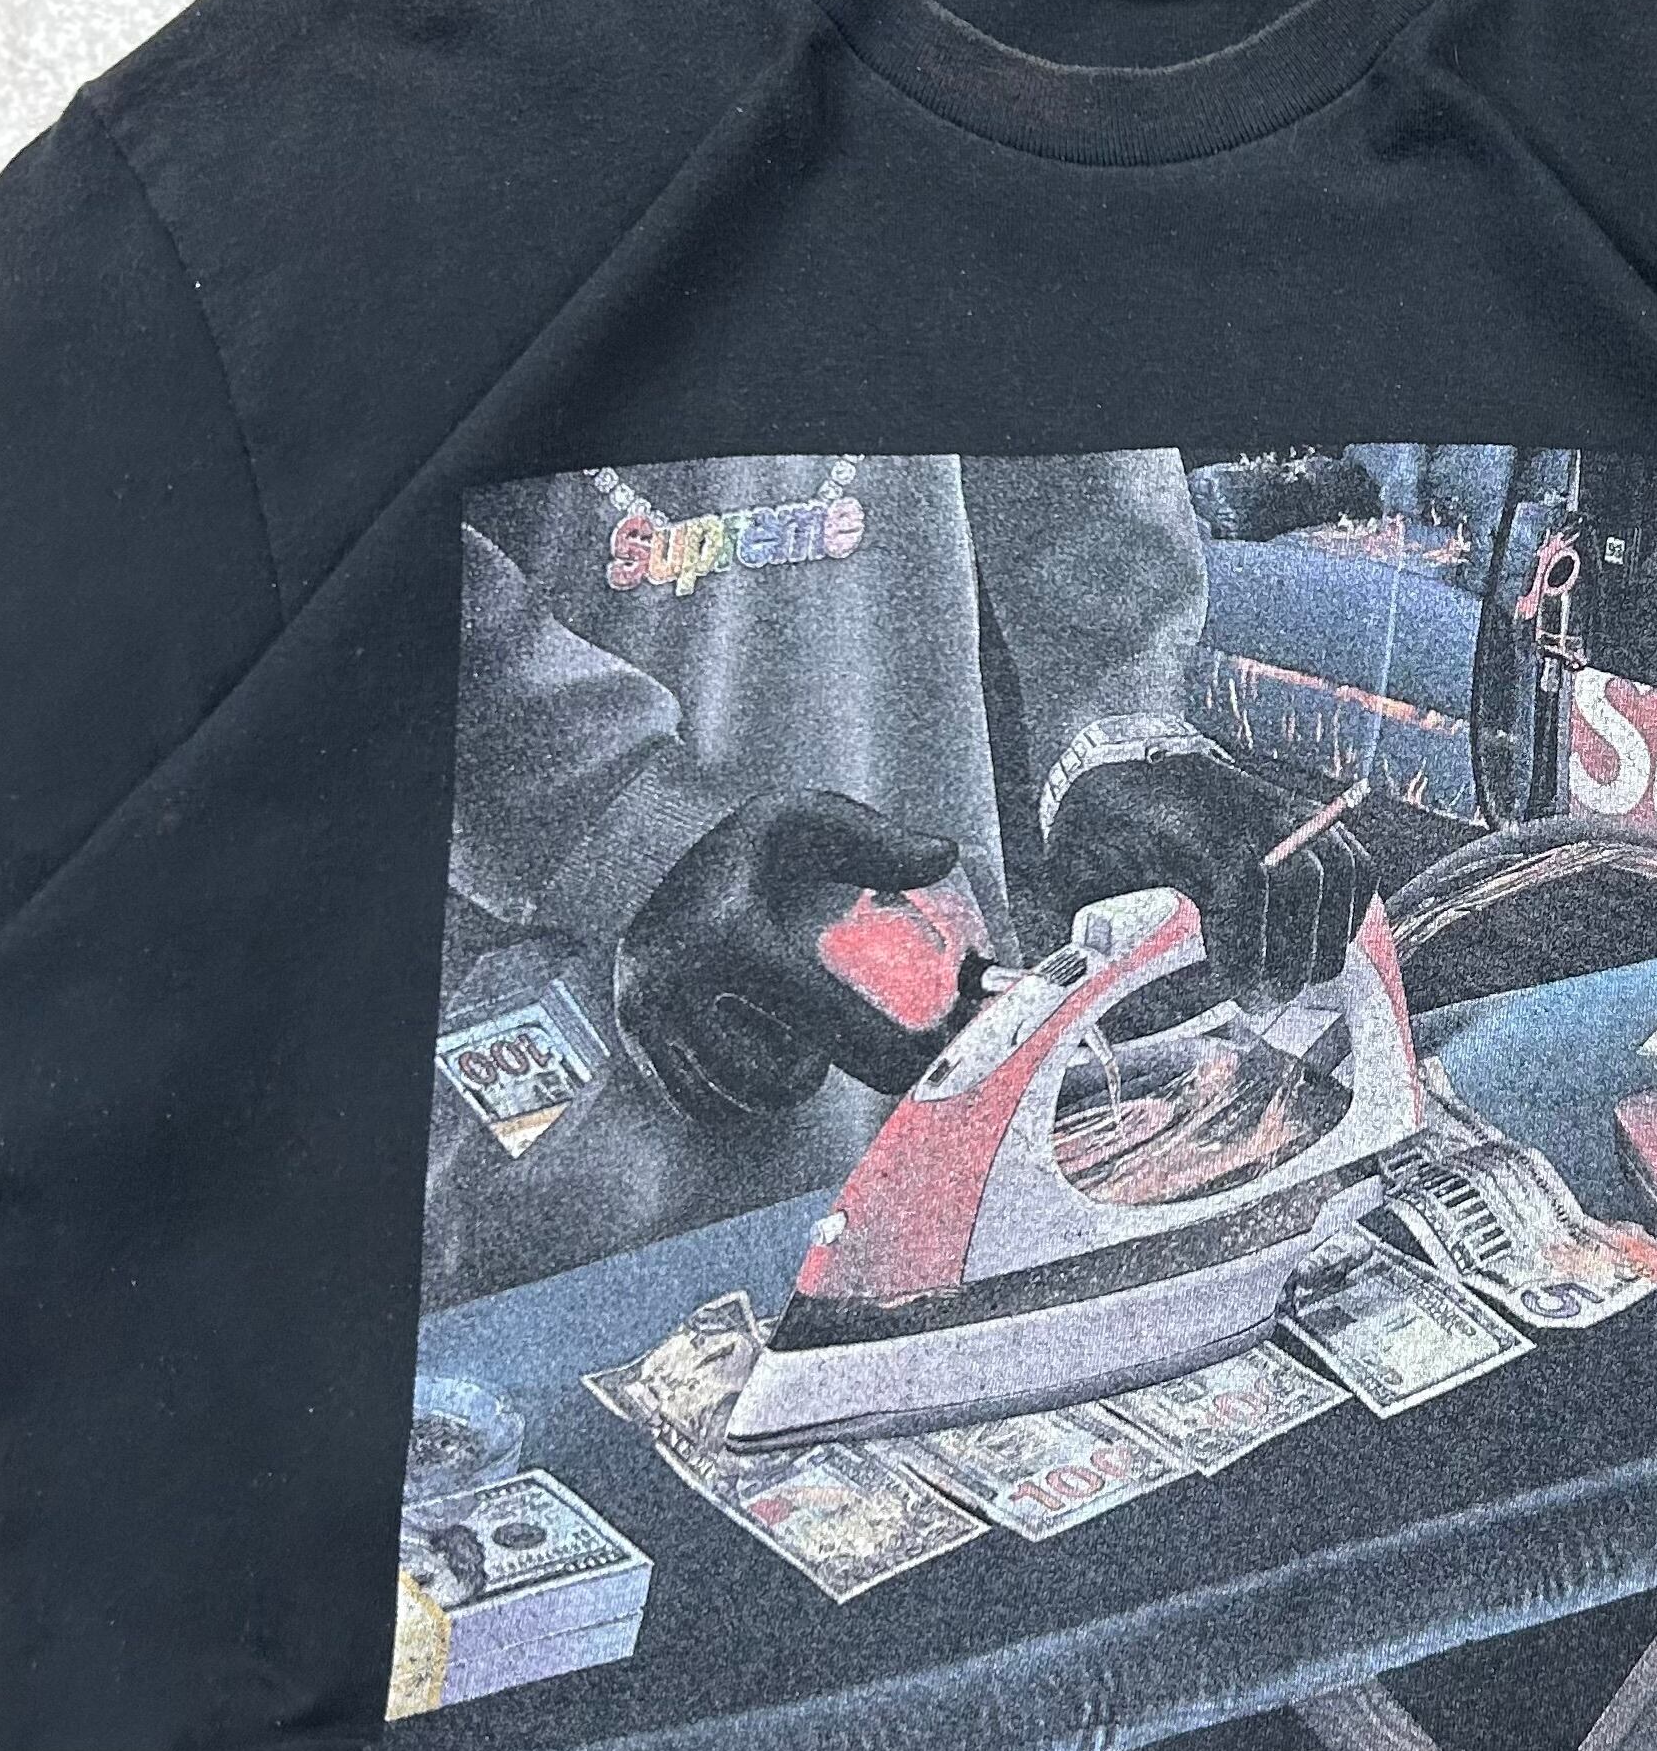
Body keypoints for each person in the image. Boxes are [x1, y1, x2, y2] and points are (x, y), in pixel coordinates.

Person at [429, 448, 1375, 1298]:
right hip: (571, 1010)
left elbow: (1059, 391)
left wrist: (1115, 724)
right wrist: (616, 816)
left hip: (919, 997)